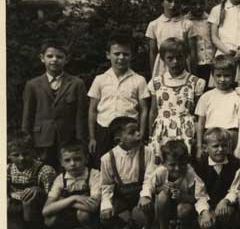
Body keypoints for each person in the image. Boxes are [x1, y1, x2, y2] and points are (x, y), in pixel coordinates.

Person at [22, 40, 87, 170]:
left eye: (59, 57)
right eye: (50, 56)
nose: (54, 60)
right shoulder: (33, 84)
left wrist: (80, 141)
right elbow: (27, 114)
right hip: (41, 137)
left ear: (66, 59)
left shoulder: (76, 83)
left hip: (68, 137)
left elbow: (81, 115)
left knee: (67, 170)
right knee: (44, 169)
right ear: (42, 58)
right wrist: (26, 139)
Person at [140, 140, 212, 229]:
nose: (177, 168)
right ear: (164, 163)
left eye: (181, 164)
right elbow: (148, 184)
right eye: (172, 165)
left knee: (183, 208)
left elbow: (199, 197)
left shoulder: (190, 173)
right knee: (162, 195)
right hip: (165, 209)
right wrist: (146, 196)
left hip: (185, 208)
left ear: (187, 162)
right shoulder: (161, 171)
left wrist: (183, 197)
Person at [88, 33, 149, 166]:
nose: (121, 57)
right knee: (103, 165)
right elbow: (92, 110)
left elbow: (144, 110)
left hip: (129, 131)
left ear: (131, 56)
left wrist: (142, 134)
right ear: (108, 55)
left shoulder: (139, 80)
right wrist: (92, 137)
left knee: (128, 165)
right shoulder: (100, 79)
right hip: (104, 130)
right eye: (117, 53)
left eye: (125, 54)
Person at [99, 117, 156, 229]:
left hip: (140, 193)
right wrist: (106, 205)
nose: (138, 134)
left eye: (138, 130)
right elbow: (107, 185)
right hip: (122, 196)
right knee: (105, 216)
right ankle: (124, 226)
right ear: (118, 139)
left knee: (142, 211)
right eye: (132, 132)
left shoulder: (148, 152)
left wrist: (145, 195)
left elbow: (149, 177)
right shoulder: (107, 158)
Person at [146, 38, 206, 157]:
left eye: (179, 57)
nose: (175, 62)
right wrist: (150, 136)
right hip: (162, 130)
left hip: (186, 130)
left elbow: (199, 114)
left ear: (186, 57)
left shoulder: (195, 82)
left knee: (184, 162)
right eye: (170, 58)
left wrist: (199, 140)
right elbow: (153, 111)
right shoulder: (157, 82)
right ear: (163, 59)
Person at [42, 140, 102, 229]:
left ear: (86, 159)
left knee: (83, 214)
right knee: (50, 219)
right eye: (67, 160)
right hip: (70, 213)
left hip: (91, 215)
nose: (73, 164)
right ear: (61, 162)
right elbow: (46, 210)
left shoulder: (94, 174)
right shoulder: (60, 179)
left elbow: (93, 206)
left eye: (77, 159)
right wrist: (73, 198)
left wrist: (63, 201)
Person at [7, 131, 56, 229]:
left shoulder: (45, 170)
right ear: (8, 155)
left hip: (37, 211)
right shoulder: (7, 170)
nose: (21, 158)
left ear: (33, 152)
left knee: (29, 200)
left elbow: (54, 198)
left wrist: (38, 190)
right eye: (16, 155)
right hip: (16, 215)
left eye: (26, 153)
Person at [192, 128, 240, 229]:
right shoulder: (200, 166)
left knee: (225, 213)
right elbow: (200, 194)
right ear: (205, 148)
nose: (220, 149)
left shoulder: (235, 163)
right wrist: (204, 212)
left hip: (226, 205)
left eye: (224, 146)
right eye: (215, 146)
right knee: (206, 224)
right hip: (209, 204)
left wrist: (226, 201)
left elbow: (235, 188)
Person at [194, 55, 240, 160]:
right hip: (211, 138)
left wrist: (239, 147)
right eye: (218, 75)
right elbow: (200, 123)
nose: (222, 79)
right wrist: (199, 146)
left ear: (234, 75)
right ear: (212, 75)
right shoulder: (206, 96)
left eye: (227, 75)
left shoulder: (238, 96)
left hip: (230, 138)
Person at [145, 0, 193, 79]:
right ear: (162, 2)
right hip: (161, 68)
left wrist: (192, 73)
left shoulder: (187, 24)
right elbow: (153, 52)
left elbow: (191, 52)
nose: (173, 5)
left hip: (182, 67)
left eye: (177, 2)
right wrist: (153, 75)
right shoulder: (154, 25)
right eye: (169, 1)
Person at [185, 0, 215, 86]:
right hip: (193, 67)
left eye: (202, 3)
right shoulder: (184, 22)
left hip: (211, 64)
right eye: (193, 4)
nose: (198, 7)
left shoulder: (211, 20)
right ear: (187, 3)